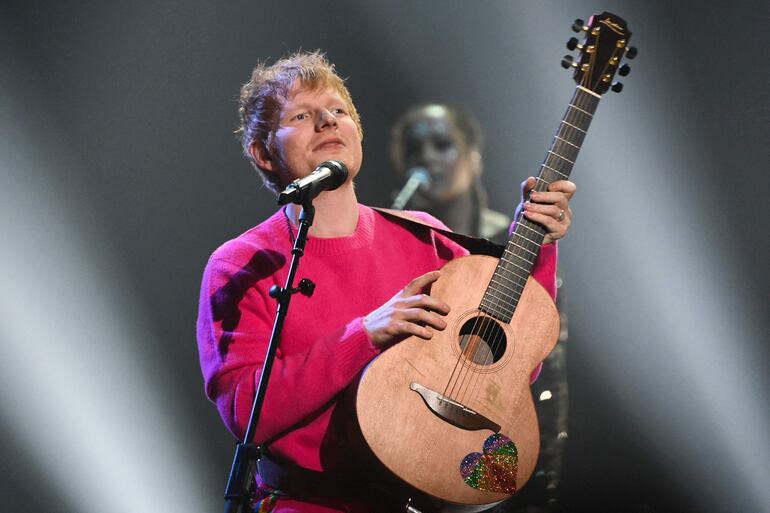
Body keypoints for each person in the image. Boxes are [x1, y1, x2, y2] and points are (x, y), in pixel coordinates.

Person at [196, 51, 575, 513]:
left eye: (338, 111)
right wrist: (364, 334)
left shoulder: (427, 239)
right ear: (262, 152)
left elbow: (512, 365)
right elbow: (245, 415)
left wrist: (538, 242)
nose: (326, 122)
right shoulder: (243, 263)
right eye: (301, 115)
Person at [389, 104, 571, 513]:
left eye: (442, 145)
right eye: (416, 151)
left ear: (474, 154)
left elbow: (545, 376)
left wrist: (540, 489)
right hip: (407, 438)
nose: (429, 159)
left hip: (486, 444)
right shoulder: (400, 242)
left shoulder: (514, 247)